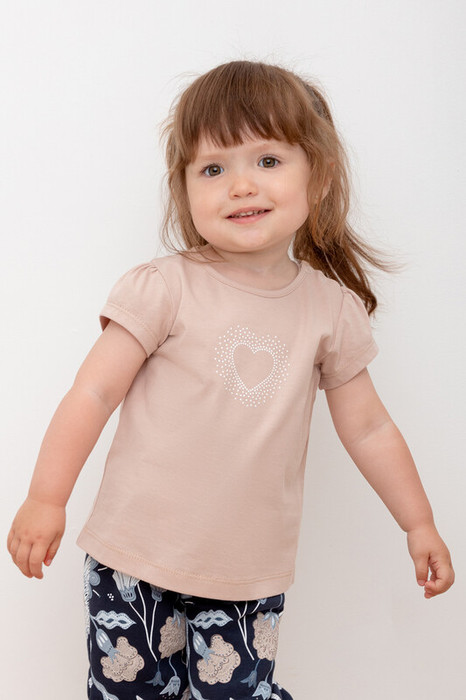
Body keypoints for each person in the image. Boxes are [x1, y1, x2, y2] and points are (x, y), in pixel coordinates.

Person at [7, 60, 454, 700]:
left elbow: (370, 428)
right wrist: (46, 497)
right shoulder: (164, 287)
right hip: (133, 557)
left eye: (267, 160)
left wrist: (419, 523)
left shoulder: (329, 310)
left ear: (320, 176)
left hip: (248, 572)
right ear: (185, 188)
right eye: (213, 169)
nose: (240, 185)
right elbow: (93, 393)